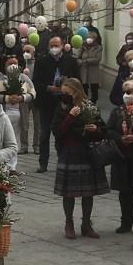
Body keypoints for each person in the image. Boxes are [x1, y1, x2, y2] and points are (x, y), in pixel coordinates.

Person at [53, 78, 108, 239]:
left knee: (88, 192)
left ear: (76, 91)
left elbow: (102, 130)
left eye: (67, 92)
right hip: (69, 152)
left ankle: (86, 224)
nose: (64, 95)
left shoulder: (88, 106)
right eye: (63, 92)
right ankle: (69, 223)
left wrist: (95, 129)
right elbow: (58, 131)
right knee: (69, 193)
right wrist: (70, 116)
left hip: (86, 152)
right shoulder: (62, 107)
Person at [107, 79, 133, 246]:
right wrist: (120, 138)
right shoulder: (119, 110)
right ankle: (126, 220)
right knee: (124, 190)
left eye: (130, 92)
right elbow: (109, 129)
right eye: (125, 92)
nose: (126, 95)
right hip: (122, 156)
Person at [33, 36, 79, 172]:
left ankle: (63, 161)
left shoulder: (71, 61)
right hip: (46, 102)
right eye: (51, 46)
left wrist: (68, 90)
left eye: (56, 45)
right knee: (44, 134)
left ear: (62, 45)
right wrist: (48, 88)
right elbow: (36, 82)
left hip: (65, 104)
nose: (54, 48)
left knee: (63, 132)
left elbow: (78, 81)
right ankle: (43, 163)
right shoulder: (42, 61)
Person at [0, 58, 36, 155]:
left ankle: (23, 146)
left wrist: (22, 98)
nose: (13, 66)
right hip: (3, 112)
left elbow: (33, 92)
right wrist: (6, 98)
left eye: (15, 63)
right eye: (10, 63)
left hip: (20, 112)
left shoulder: (24, 78)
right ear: (5, 65)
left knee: (23, 128)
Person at [77, 31, 103, 103]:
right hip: (83, 70)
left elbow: (98, 59)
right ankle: (85, 101)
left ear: (94, 39)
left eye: (91, 37)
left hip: (93, 70)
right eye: (88, 37)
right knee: (84, 87)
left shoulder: (98, 47)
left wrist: (86, 61)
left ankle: (93, 102)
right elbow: (78, 56)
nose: (89, 39)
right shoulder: (83, 46)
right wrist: (79, 61)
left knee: (94, 88)